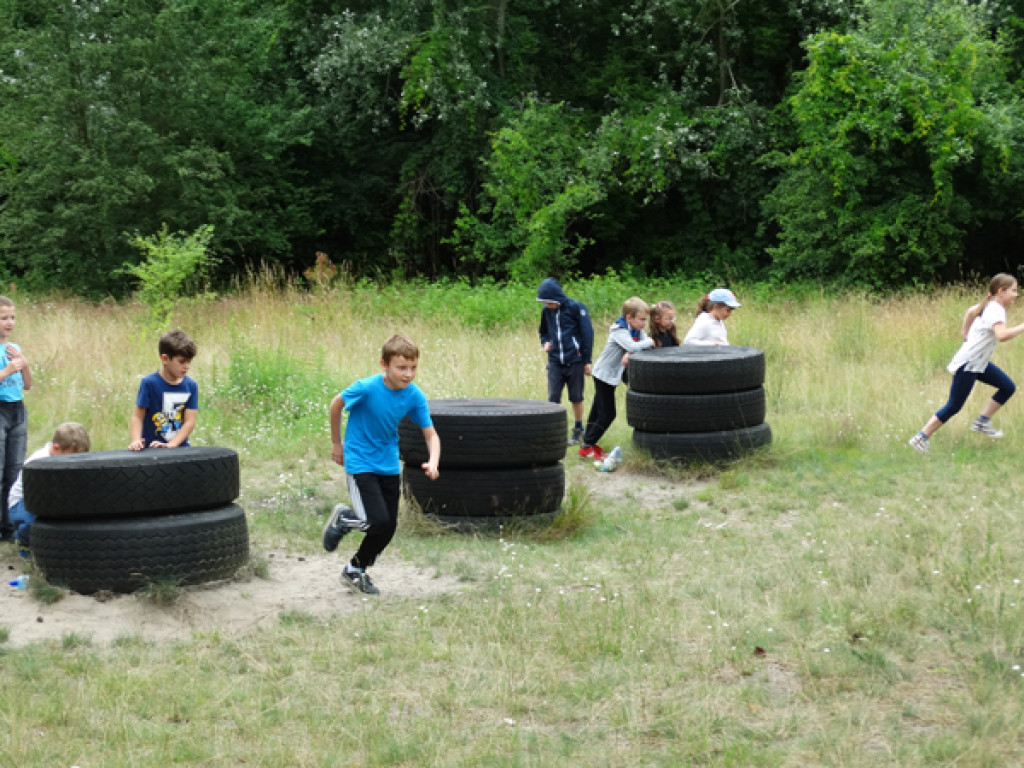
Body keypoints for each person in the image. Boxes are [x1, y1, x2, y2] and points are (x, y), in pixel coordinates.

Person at [322, 333, 441, 595]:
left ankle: (355, 569)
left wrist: (433, 462)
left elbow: (431, 435)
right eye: (401, 367)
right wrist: (336, 444)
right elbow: (335, 405)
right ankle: (344, 518)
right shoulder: (366, 388)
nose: (408, 374)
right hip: (360, 461)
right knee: (375, 521)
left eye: (413, 367)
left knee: (388, 527)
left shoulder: (413, 395)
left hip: (387, 463)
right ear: (384, 365)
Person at [909, 273, 1024, 453]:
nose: (1016, 295)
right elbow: (1001, 335)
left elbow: (970, 311)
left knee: (1007, 387)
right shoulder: (996, 310)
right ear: (1001, 291)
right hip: (969, 364)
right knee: (954, 405)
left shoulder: (990, 305)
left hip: (978, 363)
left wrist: (965, 332)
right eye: (1014, 291)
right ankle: (921, 437)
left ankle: (982, 422)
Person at [579, 297, 654, 460]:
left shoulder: (636, 330)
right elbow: (634, 346)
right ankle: (587, 446)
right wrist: (650, 341)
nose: (644, 323)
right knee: (607, 414)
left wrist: (646, 342)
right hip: (604, 375)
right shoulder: (619, 330)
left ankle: (587, 443)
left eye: (645, 320)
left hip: (612, 375)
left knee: (597, 412)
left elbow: (641, 345)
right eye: (641, 319)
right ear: (629, 318)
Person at [7, 422, 90, 557]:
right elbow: (37, 497)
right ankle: (23, 539)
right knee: (33, 523)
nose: (75, 462)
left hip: (48, 500)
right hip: (23, 502)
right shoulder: (38, 462)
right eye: (72, 457)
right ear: (56, 448)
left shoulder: (62, 458)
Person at [537, 278, 594, 445]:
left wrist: (586, 360)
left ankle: (578, 429)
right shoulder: (546, 311)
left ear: (557, 297)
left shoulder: (576, 307)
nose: (547, 305)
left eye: (549, 301)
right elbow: (544, 332)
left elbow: (587, 334)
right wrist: (545, 343)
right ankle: (553, 431)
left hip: (575, 360)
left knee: (576, 396)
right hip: (555, 360)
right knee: (553, 397)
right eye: (544, 302)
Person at [129, 329, 199, 450]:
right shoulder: (149, 383)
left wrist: (172, 444)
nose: (186, 366)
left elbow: (189, 422)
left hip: (180, 449)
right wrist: (136, 440)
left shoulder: (191, 386)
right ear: (165, 359)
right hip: (151, 450)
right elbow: (137, 417)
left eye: (189, 362)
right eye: (181, 362)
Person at [0, 295, 32, 542]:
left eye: (12, 317)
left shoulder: (14, 348)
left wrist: (25, 365)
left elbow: (27, 385)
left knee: (14, 471)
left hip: (17, 409)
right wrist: (7, 370)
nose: (9, 322)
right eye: (4, 318)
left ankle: (9, 526)